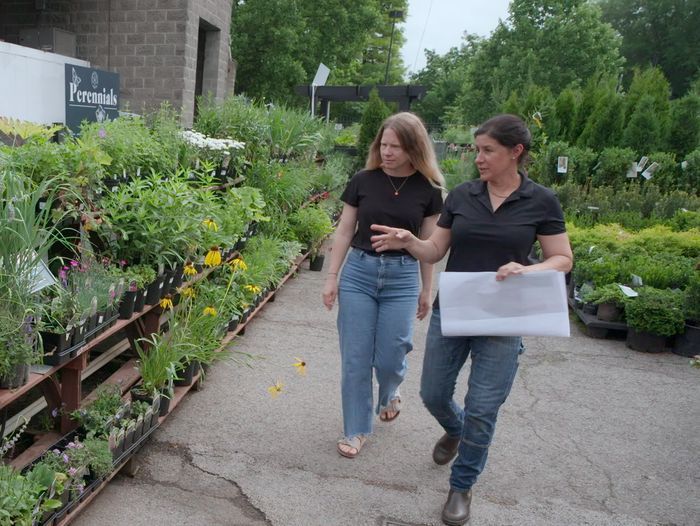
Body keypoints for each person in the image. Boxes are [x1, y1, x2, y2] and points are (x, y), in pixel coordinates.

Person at [370, 114, 573, 525]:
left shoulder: (542, 201)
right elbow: (435, 252)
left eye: (488, 151)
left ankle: (461, 487)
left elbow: (562, 258)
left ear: (516, 152)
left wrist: (527, 270)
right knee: (432, 392)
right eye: (477, 150)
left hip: (503, 319)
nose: (478, 158)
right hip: (455, 311)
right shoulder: (462, 196)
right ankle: (455, 428)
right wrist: (410, 242)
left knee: (483, 408)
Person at [322, 112, 444, 459]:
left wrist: (426, 289)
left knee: (392, 354)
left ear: (414, 149)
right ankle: (357, 428)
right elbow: (345, 230)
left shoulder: (428, 190)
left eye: (396, 147)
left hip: (403, 278)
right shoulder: (363, 180)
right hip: (359, 274)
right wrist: (332, 277)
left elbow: (429, 244)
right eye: (384, 145)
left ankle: (390, 391)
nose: (387, 152)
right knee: (356, 358)